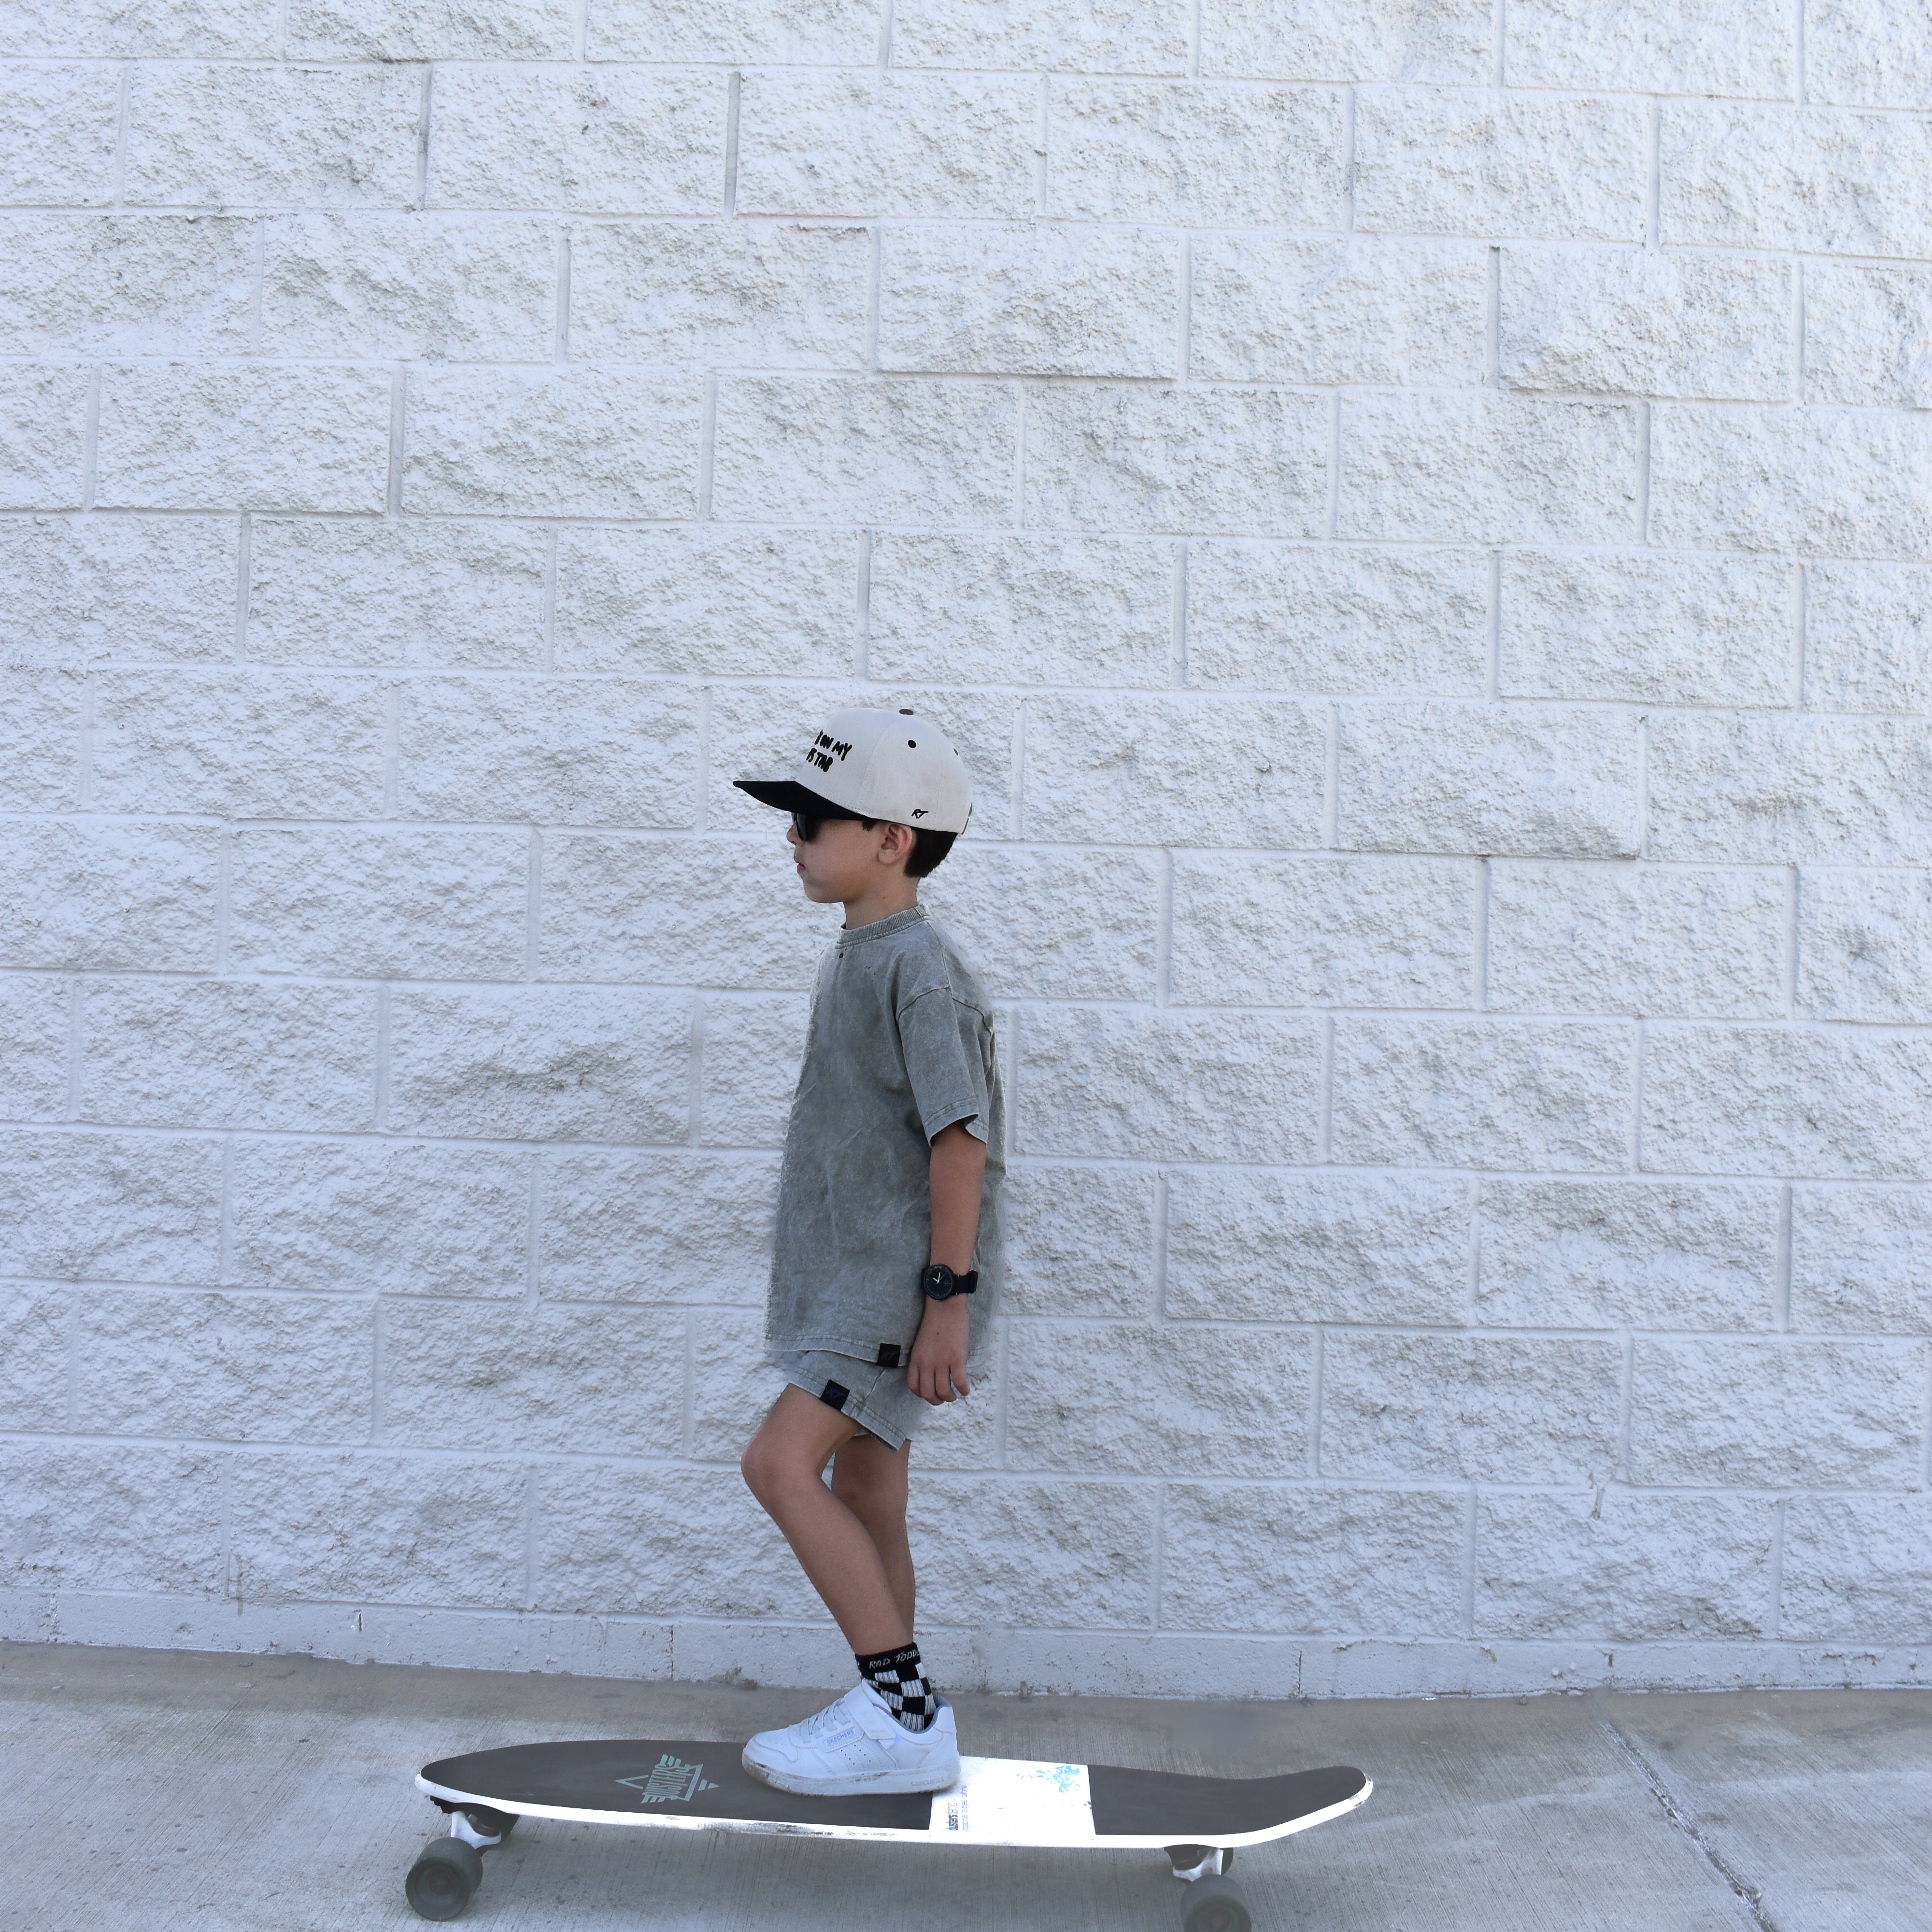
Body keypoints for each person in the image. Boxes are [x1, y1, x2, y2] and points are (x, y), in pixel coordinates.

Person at [729, 707, 1002, 1798]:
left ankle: (898, 1714)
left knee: (777, 1463)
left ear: (892, 838)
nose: (791, 838)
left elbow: (959, 1137)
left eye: (812, 819)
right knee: (866, 1486)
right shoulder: (867, 954)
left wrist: (946, 1296)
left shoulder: (918, 970)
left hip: (887, 1290)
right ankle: (899, 1712)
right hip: (859, 1278)